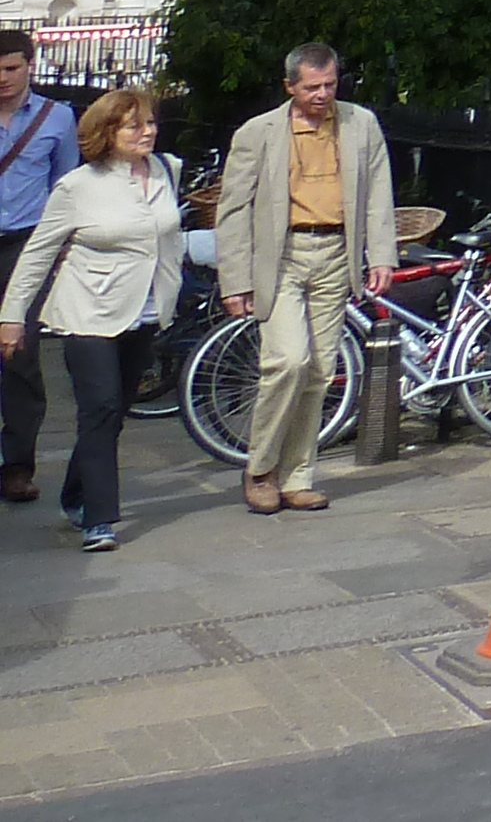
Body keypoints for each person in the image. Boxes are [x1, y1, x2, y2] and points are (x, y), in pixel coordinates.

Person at [210, 43, 396, 516]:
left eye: (330, 84)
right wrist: (235, 280)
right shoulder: (259, 133)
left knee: (318, 373)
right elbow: (232, 211)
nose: (322, 94)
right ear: (290, 86)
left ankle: (297, 476)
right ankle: (260, 467)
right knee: (288, 361)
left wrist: (382, 255)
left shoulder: (360, 124)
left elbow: (377, 191)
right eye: (312, 87)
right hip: (283, 256)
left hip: (337, 253)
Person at [1, 89, 182, 551]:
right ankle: (100, 519)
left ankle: (75, 493)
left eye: (150, 123)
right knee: (99, 407)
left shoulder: (167, 171)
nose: (147, 132)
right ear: (107, 134)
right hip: (87, 312)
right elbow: (37, 255)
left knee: (113, 413)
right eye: (133, 125)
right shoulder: (78, 187)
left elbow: (167, 239)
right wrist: (12, 317)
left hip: (142, 313)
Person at [0, 29, 76, 507]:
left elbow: (66, 187)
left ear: (30, 63)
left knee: (19, 357)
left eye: (10, 68)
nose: (2, 79)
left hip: (25, 246)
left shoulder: (58, 118)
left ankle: (17, 466)